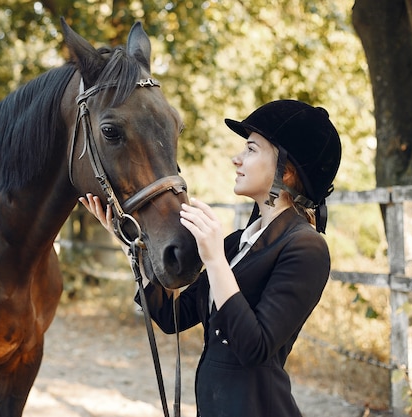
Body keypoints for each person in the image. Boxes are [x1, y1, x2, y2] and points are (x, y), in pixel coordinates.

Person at [79, 99, 341, 417]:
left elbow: (254, 348)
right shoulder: (236, 244)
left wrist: (215, 259)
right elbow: (171, 316)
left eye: (251, 150)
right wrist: (127, 240)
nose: (237, 159)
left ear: (285, 172)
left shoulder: (306, 248)